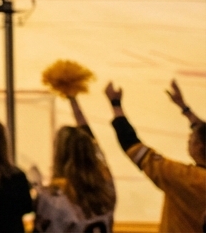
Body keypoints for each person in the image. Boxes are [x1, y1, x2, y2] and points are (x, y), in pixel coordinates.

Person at [106, 80, 206, 231]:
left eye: (191, 138)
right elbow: (202, 131)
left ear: (199, 146)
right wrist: (184, 108)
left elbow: (134, 147)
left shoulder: (185, 178)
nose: (188, 138)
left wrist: (116, 105)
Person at [31, 91, 115, 232]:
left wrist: (36, 185)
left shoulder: (52, 198)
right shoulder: (106, 188)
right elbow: (97, 148)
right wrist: (73, 102)